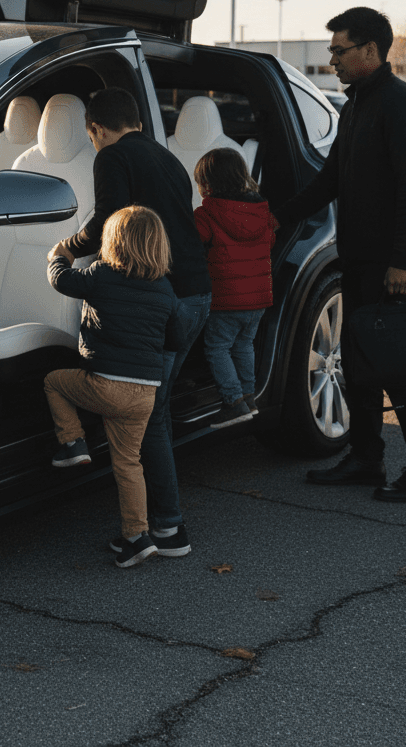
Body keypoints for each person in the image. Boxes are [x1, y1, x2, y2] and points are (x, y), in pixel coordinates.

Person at [273, 6, 406, 502]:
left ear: (370, 50)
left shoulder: (401, 104)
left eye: (339, 50)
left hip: (393, 259)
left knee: (395, 362)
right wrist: (276, 217)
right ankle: (367, 458)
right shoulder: (355, 106)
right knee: (359, 359)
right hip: (359, 255)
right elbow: (329, 180)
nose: (332, 60)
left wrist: (403, 260)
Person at [54, 87, 211, 557]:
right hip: (197, 292)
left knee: (153, 412)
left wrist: (67, 248)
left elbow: (109, 222)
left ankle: (167, 528)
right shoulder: (168, 159)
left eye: (94, 138)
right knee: (152, 404)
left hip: (162, 294)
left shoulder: (112, 157)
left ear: (97, 129)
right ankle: (160, 524)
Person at [45, 206, 184, 567]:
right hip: (144, 394)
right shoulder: (165, 288)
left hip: (105, 385)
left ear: (113, 241)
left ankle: (72, 442)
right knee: (129, 463)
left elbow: (63, 281)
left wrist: (57, 257)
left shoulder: (102, 274)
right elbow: (176, 339)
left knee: (54, 382)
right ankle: (137, 536)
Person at [192, 147, 276, 429]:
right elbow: (270, 242)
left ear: (208, 184)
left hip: (226, 301)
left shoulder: (206, 215)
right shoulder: (261, 210)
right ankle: (249, 397)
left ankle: (233, 402)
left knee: (217, 348)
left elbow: (192, 247)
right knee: (243, 344)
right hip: (259, 299)